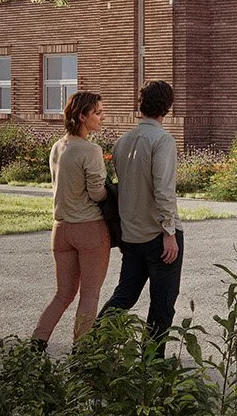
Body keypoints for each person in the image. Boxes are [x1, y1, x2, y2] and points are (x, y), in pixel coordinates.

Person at [102, 79, 184, 348]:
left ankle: (89, 350)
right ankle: (152, 368)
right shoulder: (162, 140)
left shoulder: (122, 142)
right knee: (162, 306)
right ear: (168, 107)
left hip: (132, 235)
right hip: (159, 237)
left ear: (141, 104)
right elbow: (163, 190)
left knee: (123, 297)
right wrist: (169, 232)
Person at [31, 89, 111, 348]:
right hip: (88, 228)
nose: (101, 116)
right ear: (82, 116)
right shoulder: (91, 150)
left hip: (61, 228)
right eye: (97, 112)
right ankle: (82, 353)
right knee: (89, 295)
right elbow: (97, 193)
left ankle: (37, 342)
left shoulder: (58, 147)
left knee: (63, 294)